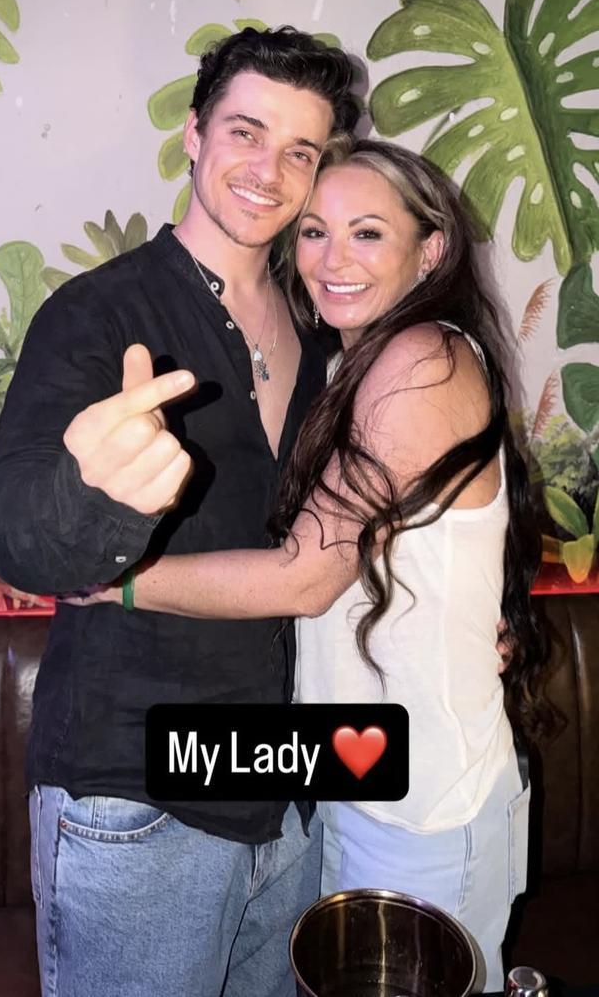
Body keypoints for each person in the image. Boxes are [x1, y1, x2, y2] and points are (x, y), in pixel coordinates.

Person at [70, 136, 553, 992]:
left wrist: (118, 582)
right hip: (349, 766)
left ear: (430, 249)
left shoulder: (422, 357)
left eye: (368, 233)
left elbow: (304, 575)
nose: (333, 261)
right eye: (314, 232)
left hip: (423, 804)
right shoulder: (345, 362)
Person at [0, 26, 360, 997]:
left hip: (286, 785)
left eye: (301, 151)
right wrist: (92, 499)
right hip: (136, 792)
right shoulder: (99, 314)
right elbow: (14, 532)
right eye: (245, 133)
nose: (268, 171)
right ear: (194, 134)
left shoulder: (323, 332)